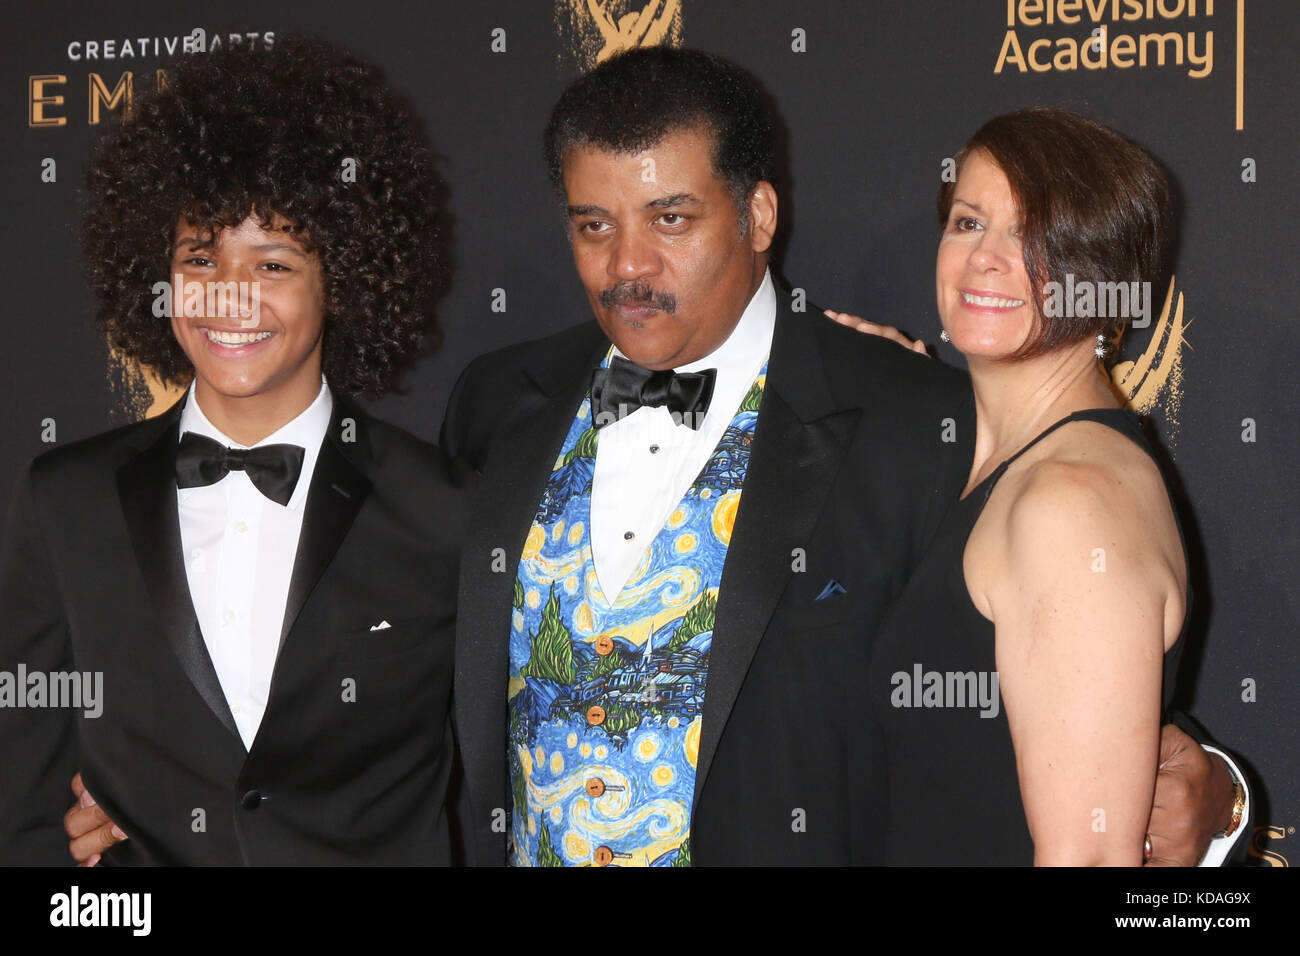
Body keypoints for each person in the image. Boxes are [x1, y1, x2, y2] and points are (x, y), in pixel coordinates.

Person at [437, 48, 1244, 866]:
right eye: (593, 225)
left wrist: (1208, 782)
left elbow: (1059, 666)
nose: (628, 266)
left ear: (758, 216)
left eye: (671, 218)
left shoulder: (917, 423)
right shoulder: (499, 403)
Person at [0, 35, 467, 865]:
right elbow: (25, 810)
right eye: (201, 257)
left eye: (275, 261)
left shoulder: (446, 508)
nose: (228, 295)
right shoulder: (64, 501)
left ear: (344, 279)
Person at [858, 107, 1249, 864]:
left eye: (1035, 237)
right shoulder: (977, 458)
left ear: (1105, 281)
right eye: (970, 223)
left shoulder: (1070, 504)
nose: (987, 260)